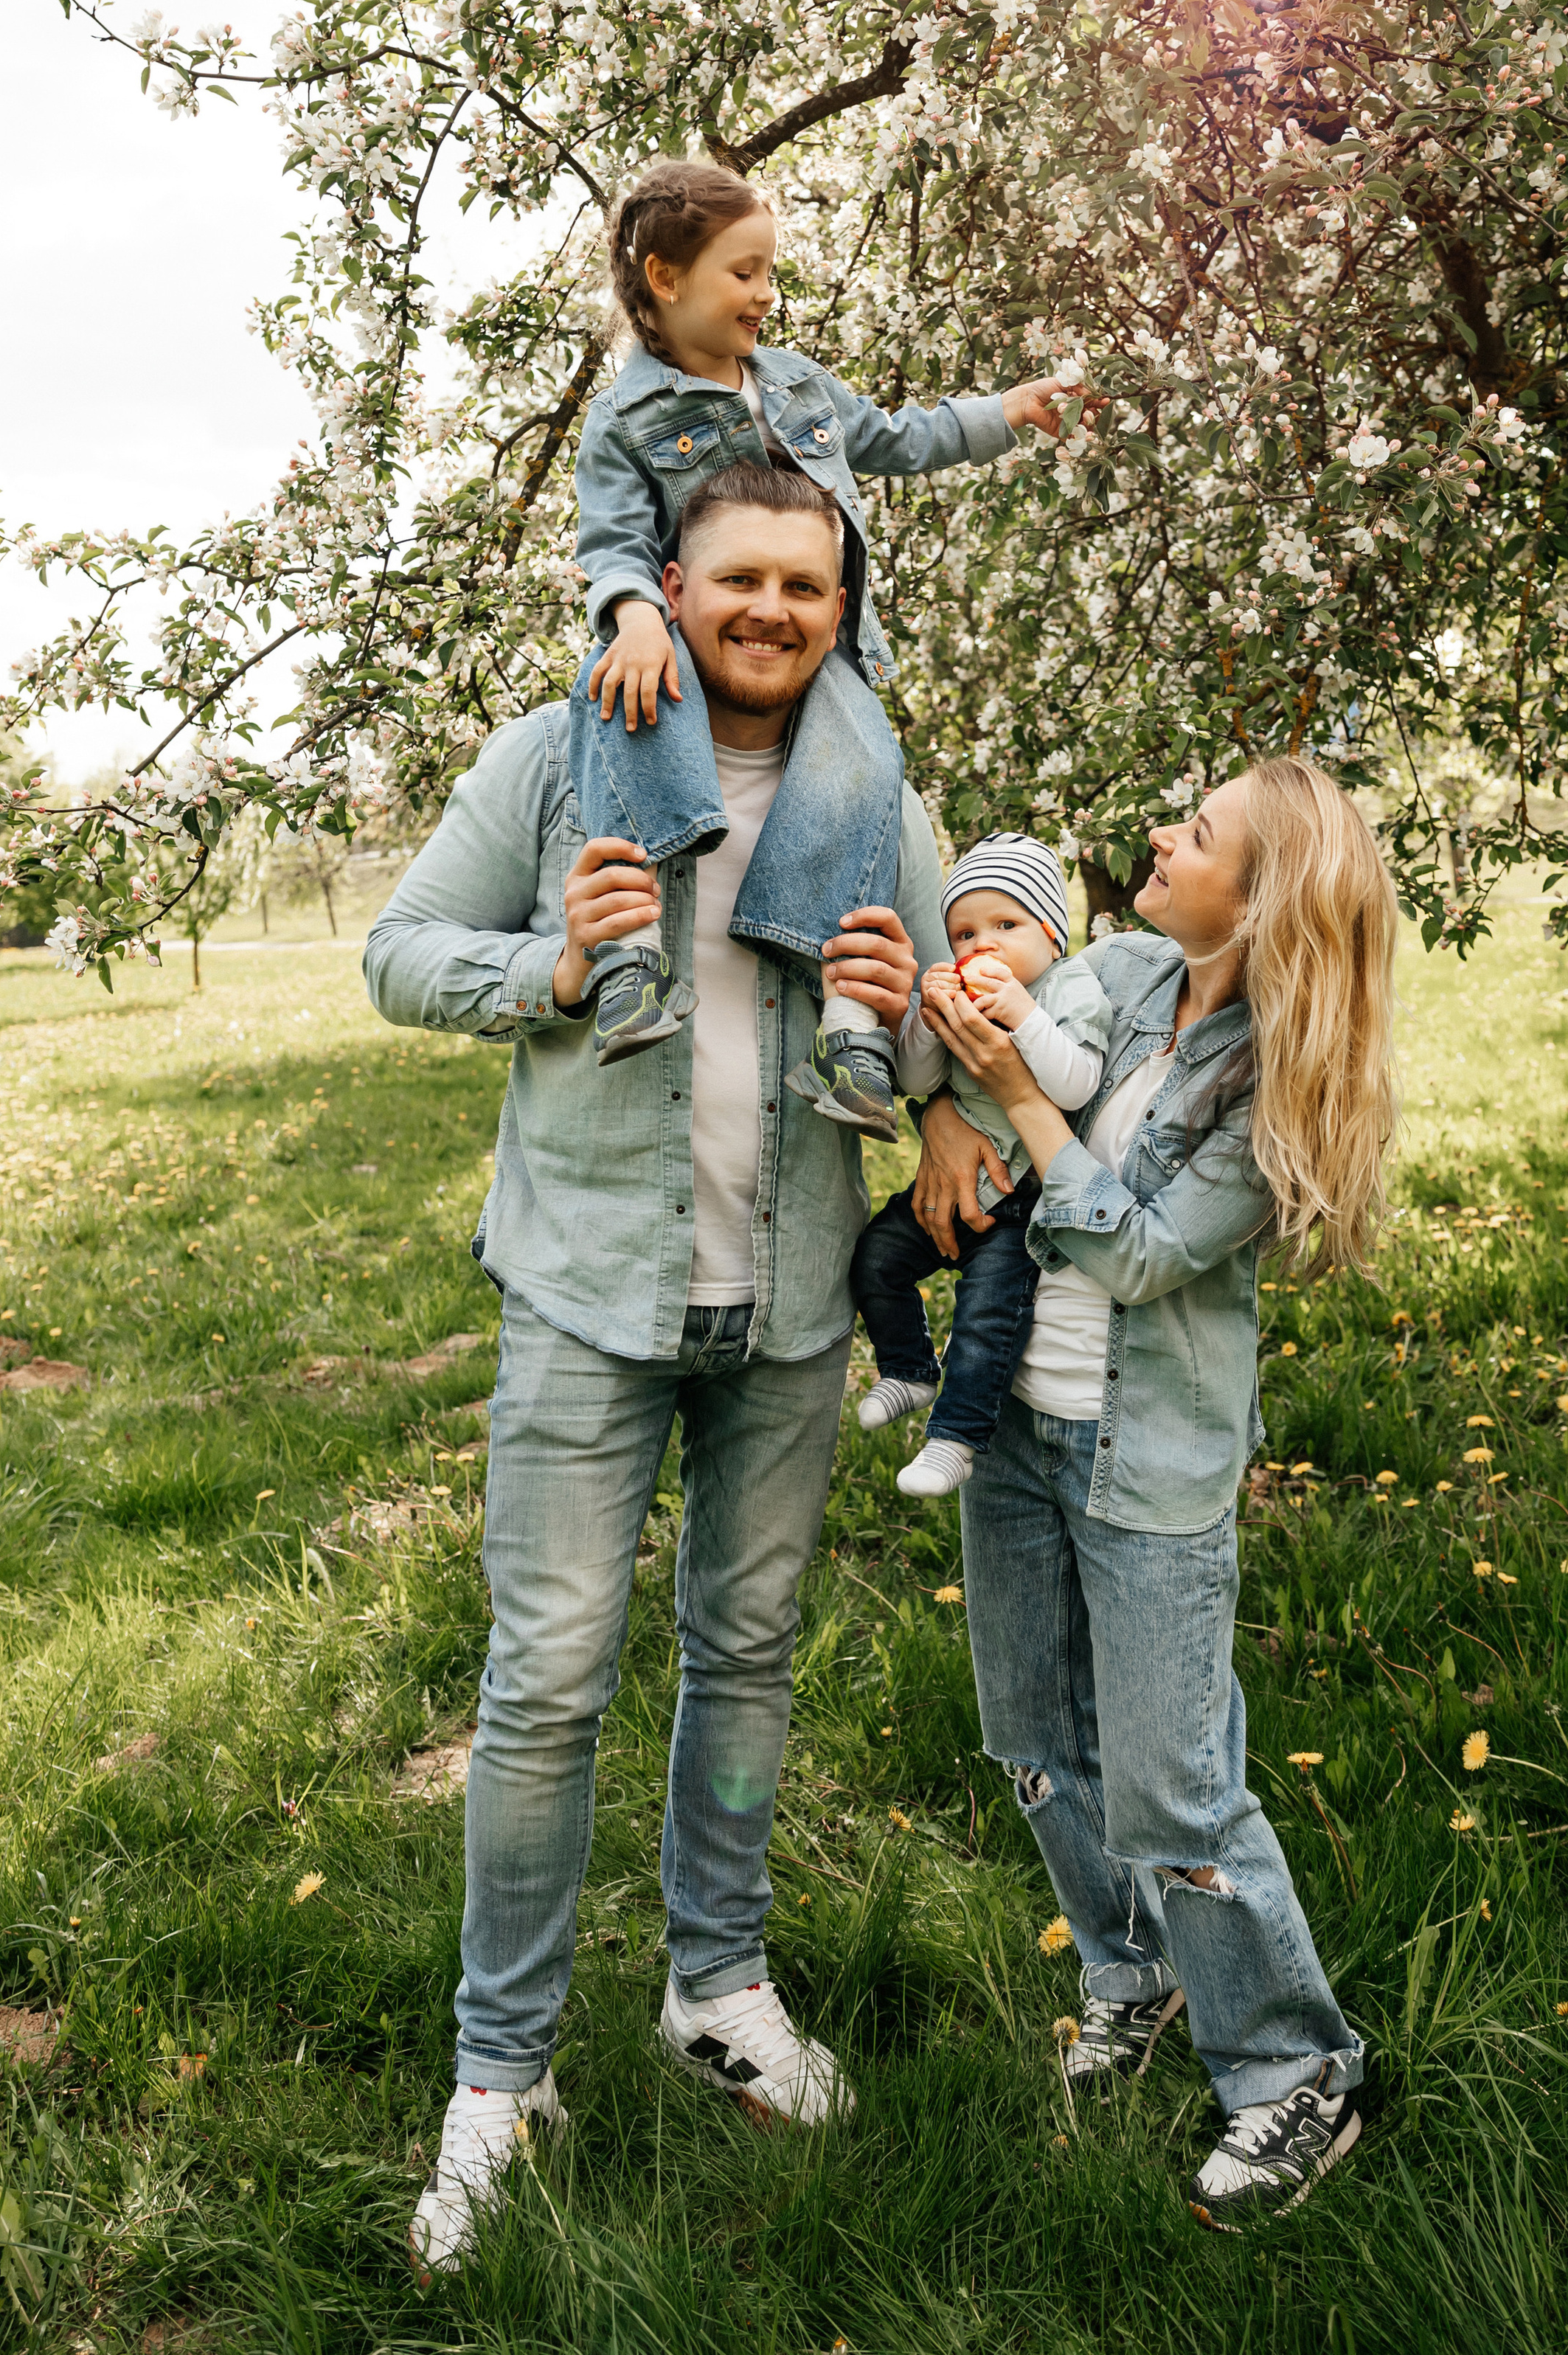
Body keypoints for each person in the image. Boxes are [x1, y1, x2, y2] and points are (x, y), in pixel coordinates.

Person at [364, 460, 948, 2277]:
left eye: (809, 583)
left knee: (749, 1650)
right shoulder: (560, 758)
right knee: (544, 1679)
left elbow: (953, 1035)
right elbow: (397, 949)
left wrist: (914, 1008)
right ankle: (498, 2071)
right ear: (667, 590)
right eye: (738, 579)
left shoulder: (871, 797)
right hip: (585, 1288)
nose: (773, 609)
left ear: (841, 608)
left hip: (780, 1302)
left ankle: (718, 1984)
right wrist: (550, 970)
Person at [914, 757, 1398, 2227]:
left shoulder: (1274, 1081)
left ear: (1261, 902)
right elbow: (988, 1058)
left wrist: (1011, 1098)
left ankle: (1294, 2072)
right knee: (1030, 1739)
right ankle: (1132, 1976)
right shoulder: (1121, 969)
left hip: (1147, 1466)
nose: (1155, 840)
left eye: (1194, 837)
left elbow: (1126, 1251)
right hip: (1012, 1435)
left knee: (1173, 1787)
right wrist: (951, 1096)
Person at [570, 158, 1086, 1138]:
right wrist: (636, 616)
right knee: (622, 700)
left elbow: (893, 438)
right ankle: (629, 963)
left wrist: (1004, 415)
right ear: (665, 277)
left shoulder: (798, 385)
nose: (767, 293)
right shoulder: (626, 419)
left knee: (864, 778)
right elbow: (610, 544)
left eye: (771, 272)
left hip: (822, 651)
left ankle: (851, 1034)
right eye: (745, 271)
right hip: (681, 645)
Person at [850, 832, 1111, 1497]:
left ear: (1052, 933)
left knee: (987, 1317)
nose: (980, 946)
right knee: (876, 1257)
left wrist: (1021, 1015)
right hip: (951, 1176)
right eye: (963, 934)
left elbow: (1076, 1083)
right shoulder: (961, 993)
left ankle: (956, 1439)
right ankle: (907, 1368)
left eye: (1005, 925)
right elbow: (913, 1077)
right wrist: (930, 1020)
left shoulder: (1068, 989)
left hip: (1023, 1199)